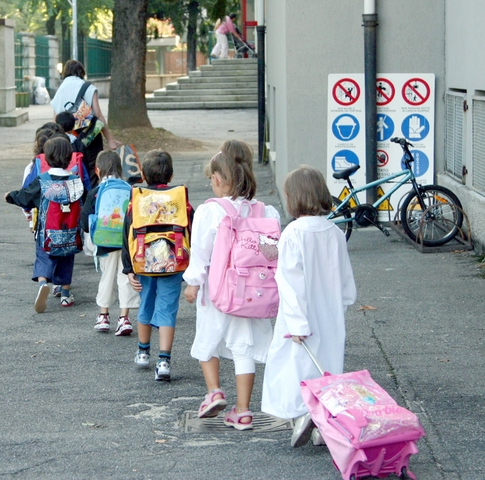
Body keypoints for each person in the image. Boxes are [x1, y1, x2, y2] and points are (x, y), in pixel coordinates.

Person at [183, 141, 280, 430]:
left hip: (219, 290)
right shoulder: (267, 212)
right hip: (253, 293)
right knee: (243, 348)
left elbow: (201, 252)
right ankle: (243, 411)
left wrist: (193, 283)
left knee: (208, 339)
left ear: (217, 179)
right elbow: (272, 254)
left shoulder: (210, 211)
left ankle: (214, 391)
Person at [261, 165, 357, 447]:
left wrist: (297, 322)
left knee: (296, 369)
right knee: (326, 368)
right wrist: (343, 303)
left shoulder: (293, 234)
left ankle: (304, 415)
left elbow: (290, 282)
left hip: (299, 316)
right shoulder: (335, 232)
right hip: (330, 313)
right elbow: (345, 277)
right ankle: (323, 423)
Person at [122, 149, 194, 381]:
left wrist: (129, 268)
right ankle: (164, 361)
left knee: (145, 304)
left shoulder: (137, 201)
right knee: (166, 309)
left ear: (143, 174)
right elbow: (191, 231)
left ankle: (143, 352)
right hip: (174, 264)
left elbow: (127, 235)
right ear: (170, 176)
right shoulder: (180, 200)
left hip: (143, 262)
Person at [5, 135, 83, 312]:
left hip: (46, 233)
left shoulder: (42, 180)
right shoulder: (75, 181)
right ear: (70, 157)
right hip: (70, 233)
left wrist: (10, 196)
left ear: (46, 158)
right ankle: (65, 295)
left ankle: (42, 284)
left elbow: (25, 197)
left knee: (43, 257)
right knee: (66, 260)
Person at [80, 150, 139, 335]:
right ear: (120, 169)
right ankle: (124, 318)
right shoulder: (129, 189)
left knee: (107, 277)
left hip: (104, 242)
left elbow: (85, 223)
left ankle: (104, 316)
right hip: (126, 243)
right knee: (125, 278)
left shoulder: (96, 192)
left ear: (97, 170)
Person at [50, 59, 118, 187]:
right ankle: (91, 201)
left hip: (67, 138)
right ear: (81, 72)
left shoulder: (59, 91)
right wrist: (110, 139)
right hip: (90, 136)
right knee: (93, 170)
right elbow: (98, 116)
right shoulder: (88, 88)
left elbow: (55, 120)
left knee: (72, 170)